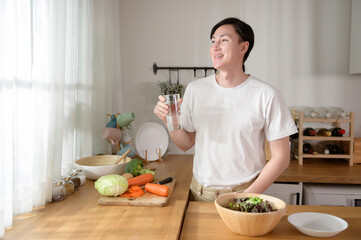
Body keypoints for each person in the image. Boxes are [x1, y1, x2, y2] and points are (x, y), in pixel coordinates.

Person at [154, 17, 298, 202]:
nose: (215, 47)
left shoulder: (267, 95)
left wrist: (246, 197)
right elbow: (185, 143)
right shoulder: (195, 89)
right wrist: (170, 121)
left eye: (223, 40)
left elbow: (281, 158)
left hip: (244, 192)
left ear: (243, 47)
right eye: (213, 41)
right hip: (199, 193)